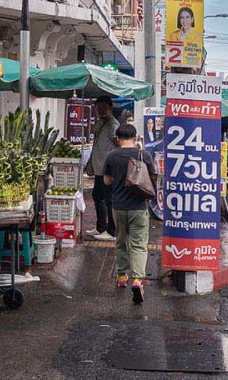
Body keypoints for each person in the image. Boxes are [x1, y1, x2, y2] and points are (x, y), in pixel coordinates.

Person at [102, 123, 158, 304]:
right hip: (139, 207)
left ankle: (121, 276)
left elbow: (107, 181)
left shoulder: (111, 156)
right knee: (139, 243)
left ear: (117, 139)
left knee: (121, 240)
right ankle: (137, 279)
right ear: (135, 138)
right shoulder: (144, 155)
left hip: (118, 206)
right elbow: (153, 177)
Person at [86, 98, 119, 240]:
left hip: (108, 169)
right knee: (97, 196)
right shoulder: (100, 122)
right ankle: (100, 227)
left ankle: (112, 231)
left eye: (103, 107)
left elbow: (118, 142)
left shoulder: (113, 124)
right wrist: (90, 162)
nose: (100, 110)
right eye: (98, 107)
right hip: (98, 168)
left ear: (110, 107)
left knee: (109, 199)